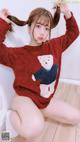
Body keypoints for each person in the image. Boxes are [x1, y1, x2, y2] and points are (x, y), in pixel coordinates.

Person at [0, 1, 79, 140]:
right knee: (35, 128)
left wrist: (67, 13)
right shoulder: (18, 54)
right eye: (38, 26)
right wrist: (3, 23)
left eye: (46, 28)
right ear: (29, 26)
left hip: (43, 100)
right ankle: (11, 117)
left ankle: (35, 113)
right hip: (23, 98)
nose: (42, 32)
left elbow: (73, 32)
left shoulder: (55, 46)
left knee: (75, 117)